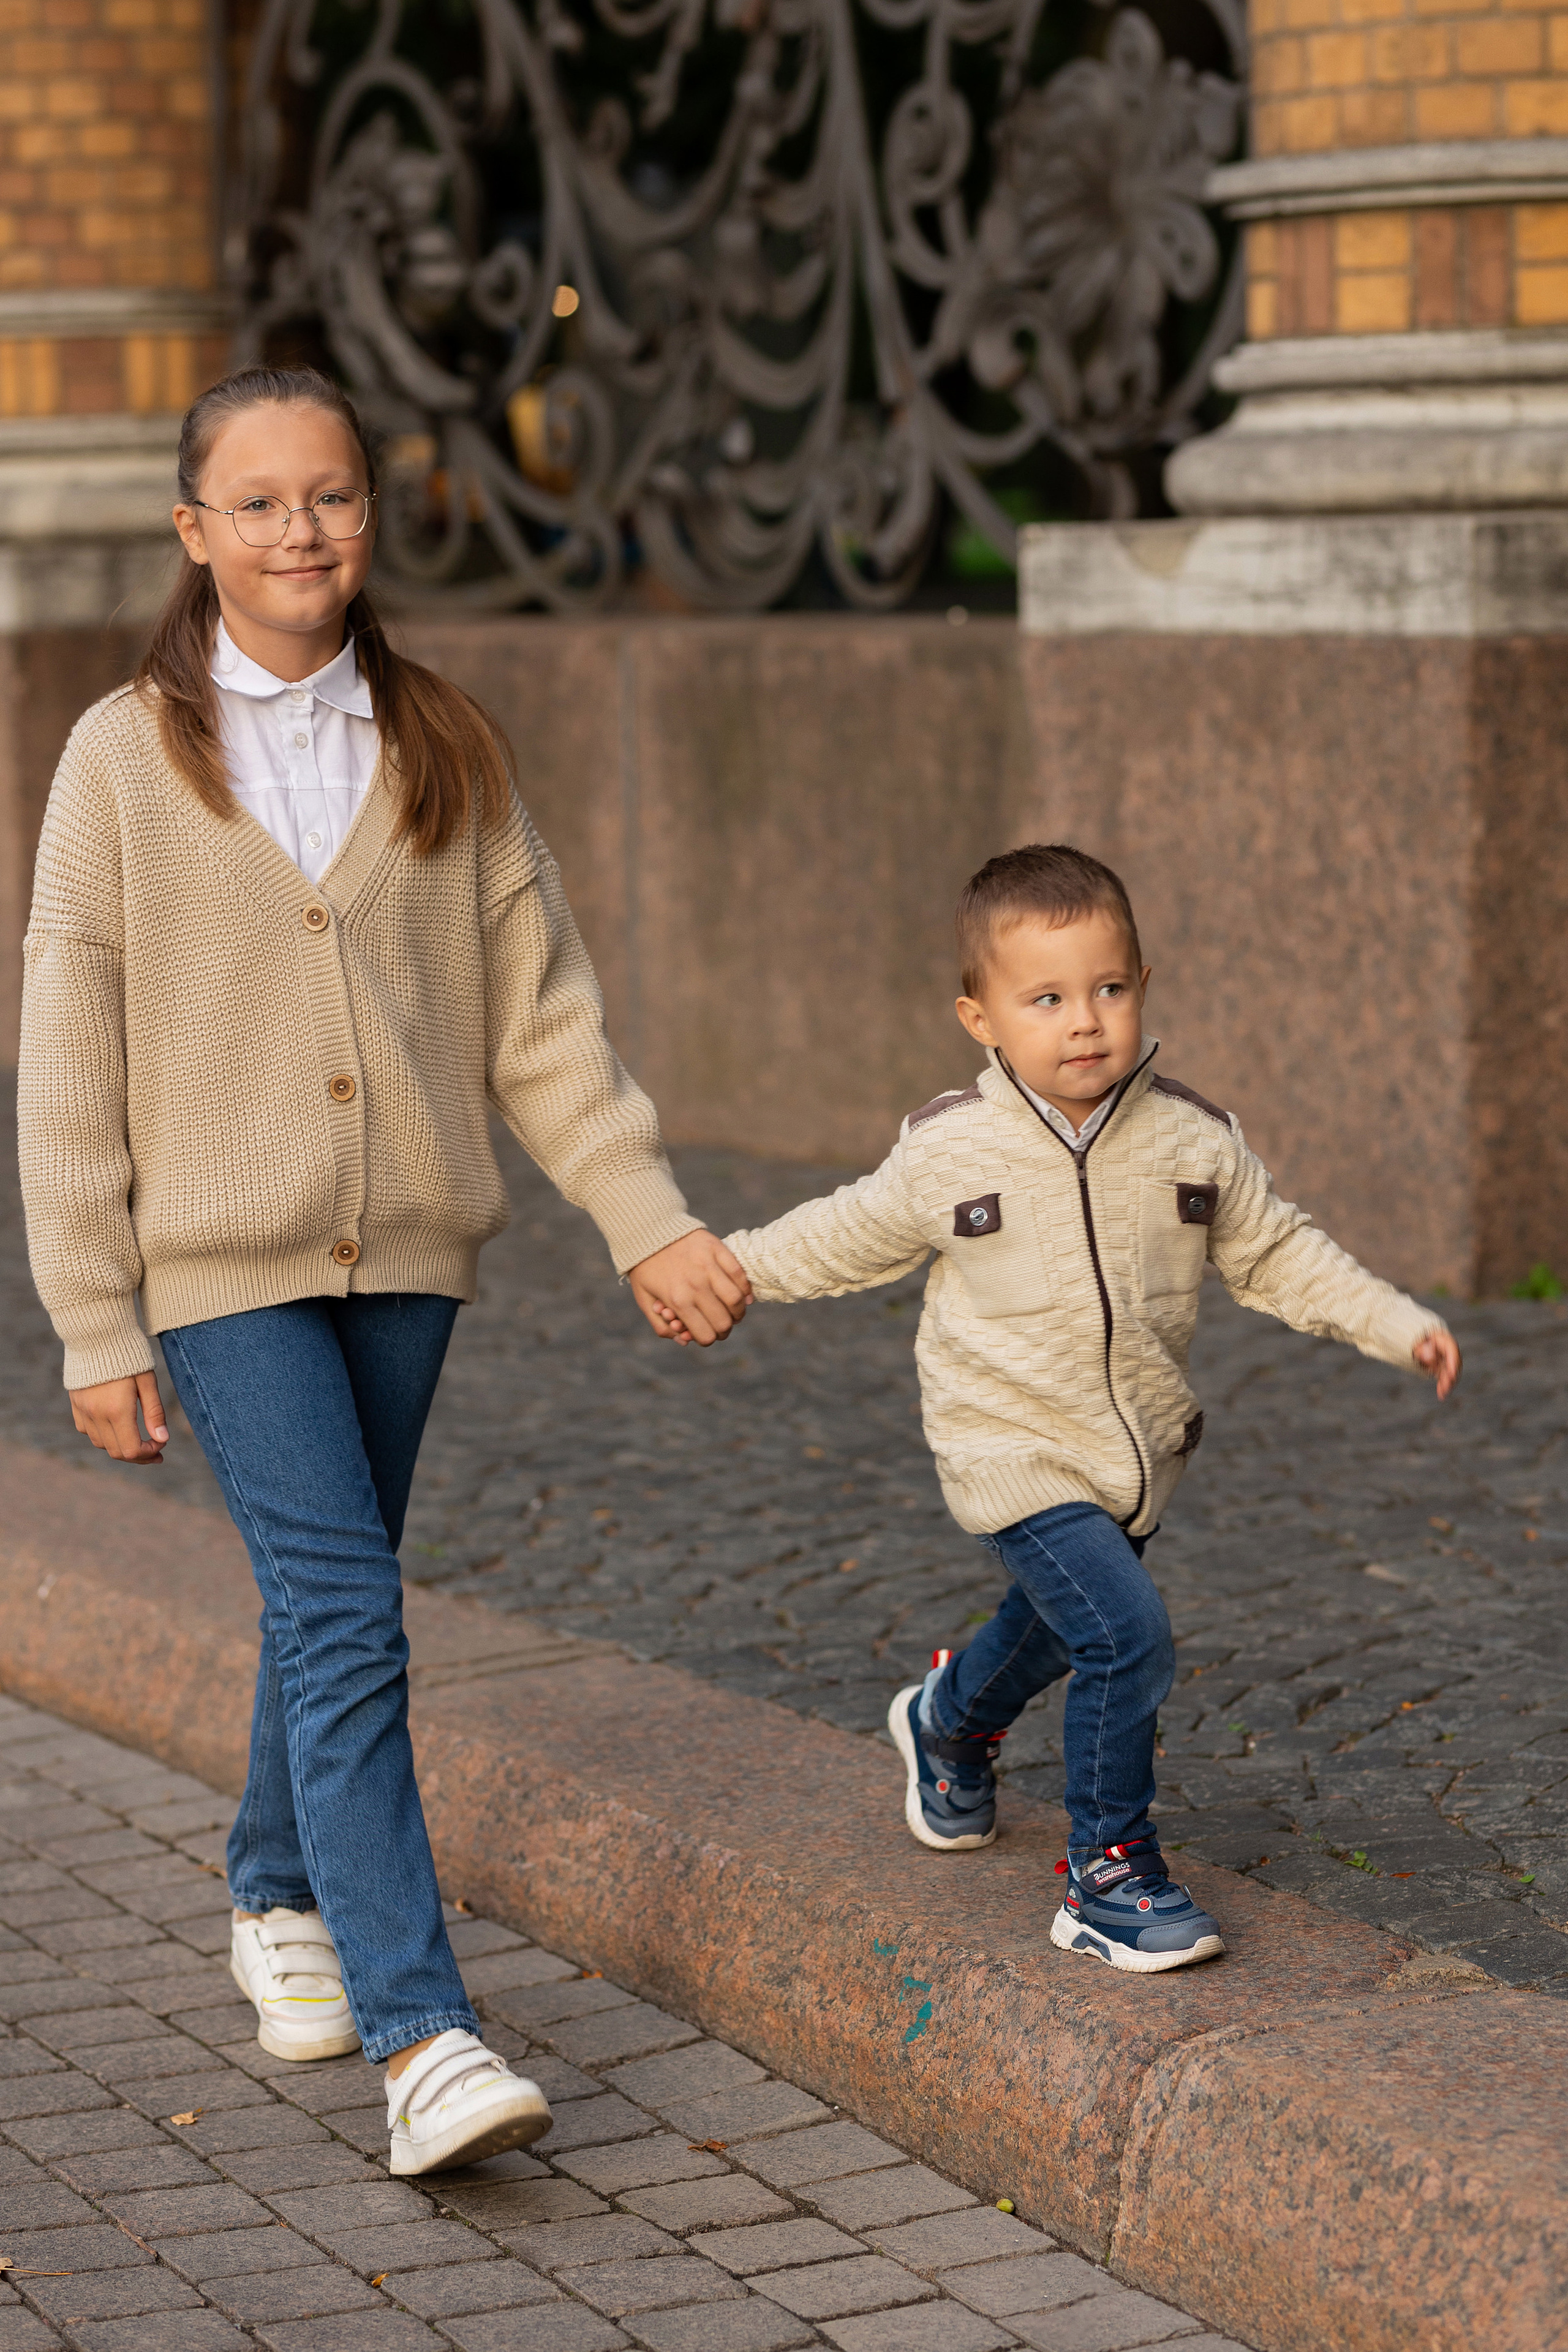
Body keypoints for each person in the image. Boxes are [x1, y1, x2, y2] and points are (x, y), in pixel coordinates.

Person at [17, 366, 752, 2171]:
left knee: (325, 1594)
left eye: (330, 496)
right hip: (218, 1272)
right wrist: (91, 1315)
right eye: (257, 502)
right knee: (349, 1611)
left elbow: (544, 1022)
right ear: (195, 531)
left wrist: (643, 1212)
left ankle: (272, 1880)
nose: (299, 532)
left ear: (370, 514)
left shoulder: (445, 743)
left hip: (409, 1250)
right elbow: (69, 1047)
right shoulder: (121, 755)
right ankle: (425, 2033)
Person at [702, 844, 1461, 1974]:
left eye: (1108, 988)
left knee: (1059, 1626)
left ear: (1143, 983)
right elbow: (843, 1231)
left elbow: (1284, 1257)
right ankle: (1108, 1871)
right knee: (1126, 1634)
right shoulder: (953, 1145)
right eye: (1046, 998)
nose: (1086, 1021)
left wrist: (1397, 1322)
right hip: (1009, 1449)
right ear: (981, 1016)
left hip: (1137, 1454)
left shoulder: (1193, 1140)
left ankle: (947, 1721)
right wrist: (725, 1270)